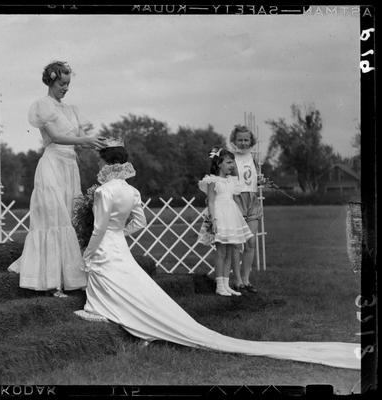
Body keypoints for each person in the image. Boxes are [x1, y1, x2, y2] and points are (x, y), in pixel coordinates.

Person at [74, 143, 359, 370]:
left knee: (109, 276)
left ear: (107, 164)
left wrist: (90, 250)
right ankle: (137, 319)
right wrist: (119, 232)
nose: (98, 166)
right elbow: (140, 224)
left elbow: (99, 227)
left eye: (100, 161)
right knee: (131, 282)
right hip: (118, 244)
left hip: (105, 244)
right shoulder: (132, 191)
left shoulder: (102, 192)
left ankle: (109, 311)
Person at [8, 61, 106, 297]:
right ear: (51, 81)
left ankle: (67, 277)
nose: (65, 88)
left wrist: (100, 143)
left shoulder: (71, 110)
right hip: (52, 164)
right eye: (62, 83)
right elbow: (56, 138)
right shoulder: (43, 106)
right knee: (55, 218)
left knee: (70, 219)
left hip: (69, 166)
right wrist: (85, 141)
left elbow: (81, 137)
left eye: (68, 84)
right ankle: (52, 283)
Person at [197, 148, 252, 296]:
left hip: (231, 216)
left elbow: (234, 198)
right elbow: (211, 202)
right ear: (219, 163)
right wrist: (214, 220)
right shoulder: (212, 180)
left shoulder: (231, 181)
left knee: (229, 251)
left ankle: (226, 285)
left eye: (233, 162)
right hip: (219, 216)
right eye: (228, 162)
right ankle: (219, 285)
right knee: (221, 252)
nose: (232, 165)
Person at [229, 125, 263, 293]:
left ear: (251, 141)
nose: (243, 143)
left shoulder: (253, 158)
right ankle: (237, 280)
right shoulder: (229, 157)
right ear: (234, 141)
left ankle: (246, 279)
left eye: (246, 140)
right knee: (236, 243)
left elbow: (254, 179)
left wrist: (261, 181)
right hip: (236, 200)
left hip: (252, 201)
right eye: (240, 140)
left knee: (251, 242)